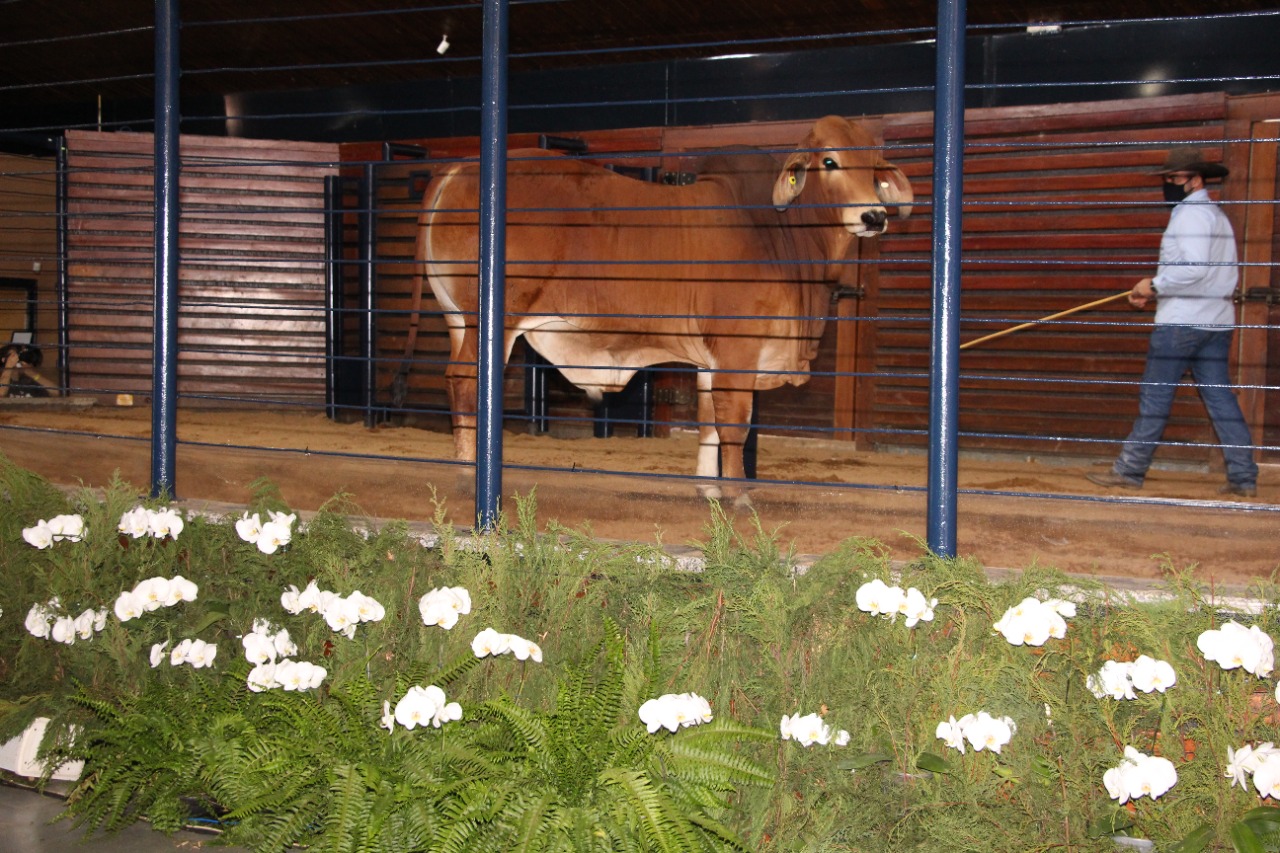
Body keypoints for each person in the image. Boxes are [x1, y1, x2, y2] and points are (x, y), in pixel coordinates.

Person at [1086, 147, 1259, 498]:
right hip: (1216, 323)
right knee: (1220, 400)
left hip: (1182, 325)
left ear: (1195, 179)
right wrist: (1153, 292)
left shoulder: (1190, 215)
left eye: (1175, 178)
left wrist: (1154, 285)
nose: (1169, 184)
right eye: (1167, 178)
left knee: (1155, 398)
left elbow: (1193, 269)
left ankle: (1129, 470)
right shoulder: (1216, 216)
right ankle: (1243, 477)